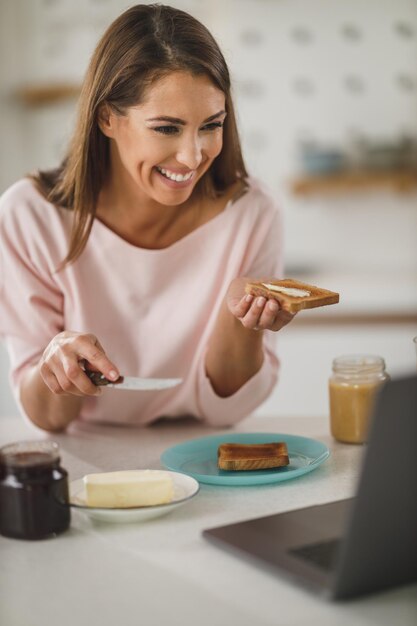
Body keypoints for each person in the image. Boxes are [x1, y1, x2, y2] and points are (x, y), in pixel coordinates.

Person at [0, 4, 295, 432]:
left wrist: (242, 320)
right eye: (167, 128)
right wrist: (58, 361)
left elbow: (226, 410)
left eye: (211, 125)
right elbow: (47, 418)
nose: (193, 157)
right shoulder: (30, 217)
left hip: (205, 457)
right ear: (108, 118)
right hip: (90, 465)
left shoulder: (252, 214)